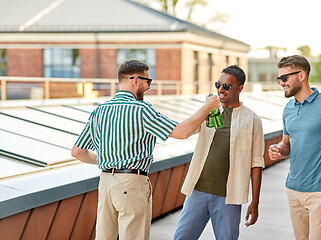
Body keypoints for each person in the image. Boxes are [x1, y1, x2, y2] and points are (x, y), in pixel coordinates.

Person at [71, 59, 220, 240]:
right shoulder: (141, 110)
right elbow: (181, 132)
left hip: (106, 183)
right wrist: (207, 107)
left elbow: (77, 151)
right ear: (135, 80)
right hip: (131, 183)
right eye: (148, 81)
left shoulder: (100, 111)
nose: (149, 86)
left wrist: (108, 161)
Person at [174, 65, 265, 240]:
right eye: (218, 84)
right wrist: (204, 110)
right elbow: (185, 130)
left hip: (229, 197)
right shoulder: (209, 110)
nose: (220, 90)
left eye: (226, 86)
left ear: (240, 89)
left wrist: (255, 202)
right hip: (197, 191)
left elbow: (256, 163)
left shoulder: (253, 120)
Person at [268, 55, 321, 239]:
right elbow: (287, 143)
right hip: (293, 190)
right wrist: (279, 149)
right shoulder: (288, 108)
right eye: (279, 78)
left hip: (320, 193)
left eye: (284, 78)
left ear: (301, 75)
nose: (281, 83)